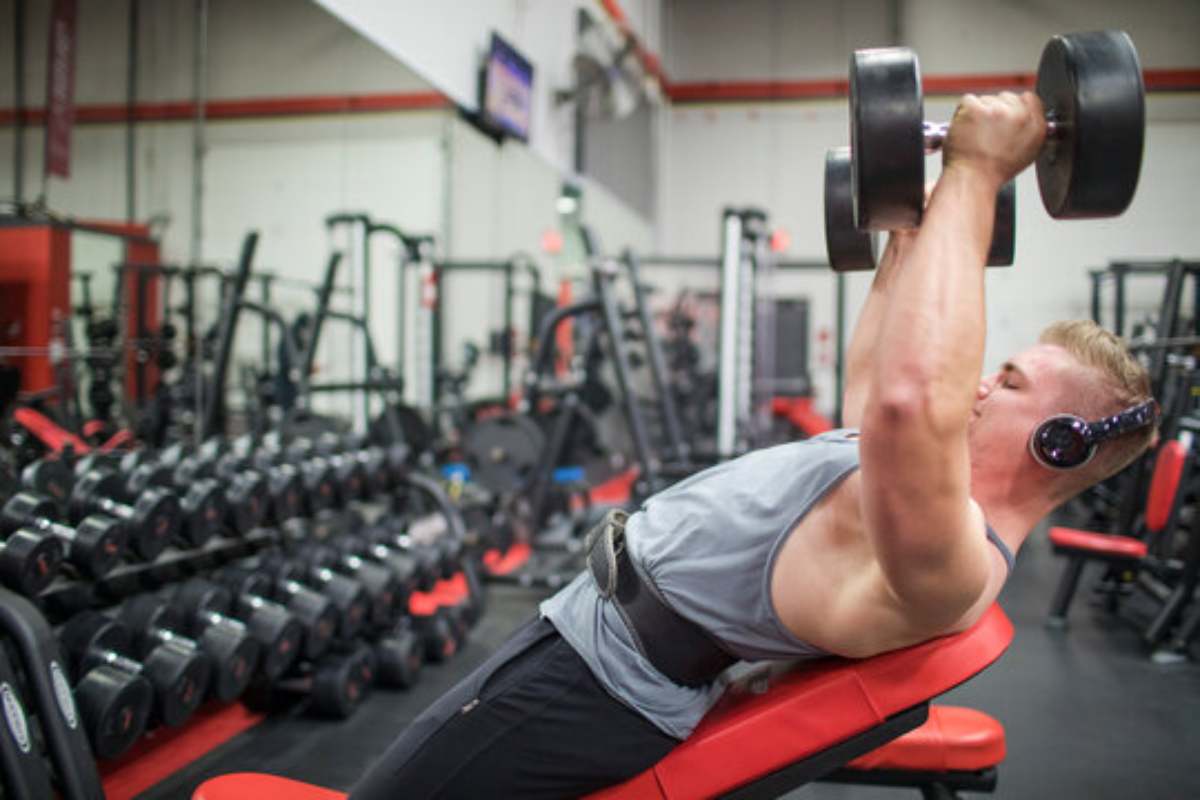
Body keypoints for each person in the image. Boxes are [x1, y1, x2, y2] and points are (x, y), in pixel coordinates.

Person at [349, 91, 1156, 800]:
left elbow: (911, 403)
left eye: (1010, 383)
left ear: (1058, 444)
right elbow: (880, 385)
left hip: (592, 685)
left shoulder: (954, 565)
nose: (981, 384)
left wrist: (976, 175)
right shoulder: (918, 500)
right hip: (592, 651)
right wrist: (914, 218)